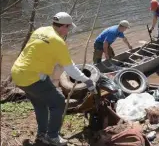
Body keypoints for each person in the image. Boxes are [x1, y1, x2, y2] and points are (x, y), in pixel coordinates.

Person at [11, 12, 97, 146]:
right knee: (58, 102)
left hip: (17, 72)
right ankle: (52, 137)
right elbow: (69, 68)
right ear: (64, 26)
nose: (68, 31)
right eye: (68, 28)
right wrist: (87, 80)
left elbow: (37, 52)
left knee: (40, 104)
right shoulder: (58, 41)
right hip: (32, 77)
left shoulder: (41, 30)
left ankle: (42, 134)